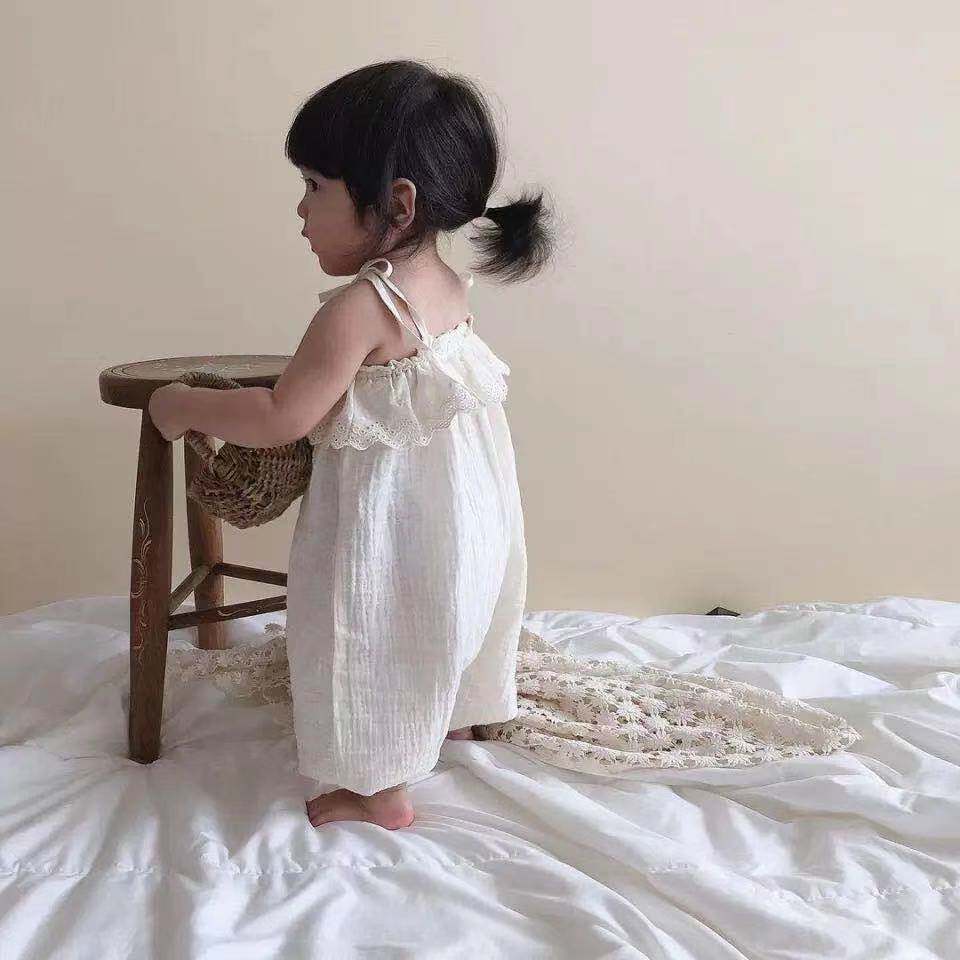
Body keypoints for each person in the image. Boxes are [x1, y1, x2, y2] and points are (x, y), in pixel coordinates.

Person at [148, 58, 556, 830]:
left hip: (389, 530)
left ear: (396, 204)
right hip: (467, 521)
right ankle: (457, 712)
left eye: (314, 186)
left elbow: (282, 416)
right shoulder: (447, 286)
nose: (300, 210)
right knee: (451, 615)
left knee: (363, 633)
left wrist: (182, 405)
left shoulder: (359, 309)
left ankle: (373, 786)